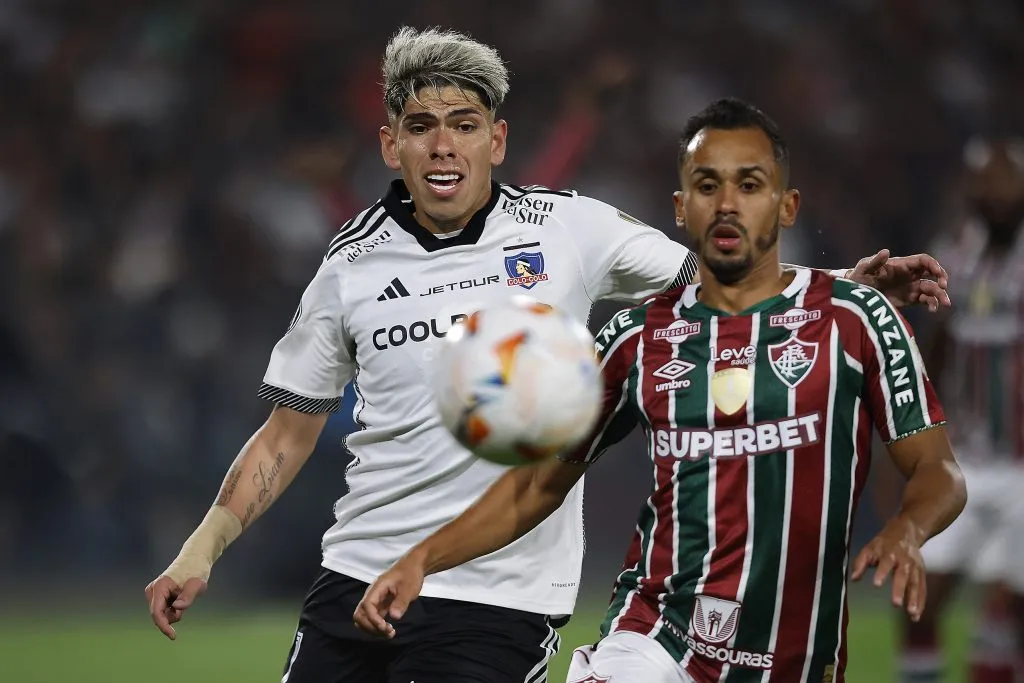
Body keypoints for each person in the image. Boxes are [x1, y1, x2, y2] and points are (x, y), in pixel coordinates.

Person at [145, 27, 950, 683]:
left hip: (499, 597)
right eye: (420, 128)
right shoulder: (349, 266)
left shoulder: (570, 229)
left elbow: (719, 281)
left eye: (463, 124)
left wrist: (835, 284)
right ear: (391, 144)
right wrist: (200, 547)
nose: (442, 146)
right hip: (358, 576)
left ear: (496, 139)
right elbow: (287, 435)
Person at [353, 98, 968, 683]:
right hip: (655, 640)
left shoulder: (856, 319)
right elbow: (538, 485)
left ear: (786, 205)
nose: (727, 204)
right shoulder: (636, 338)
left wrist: (907, 529)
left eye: (749, 185)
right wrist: (422, 559)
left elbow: (940, 474)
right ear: (681, 208)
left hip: (793, 658)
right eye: (707, 187)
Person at [896, 137, 1024, 683]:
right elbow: (937, 348)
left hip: (1022, 468)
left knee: (1002, 615)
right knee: (916, 600)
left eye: (1006, 181)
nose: (995, 193)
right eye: (986, 182)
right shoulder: (955, 255)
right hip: (967, 460)